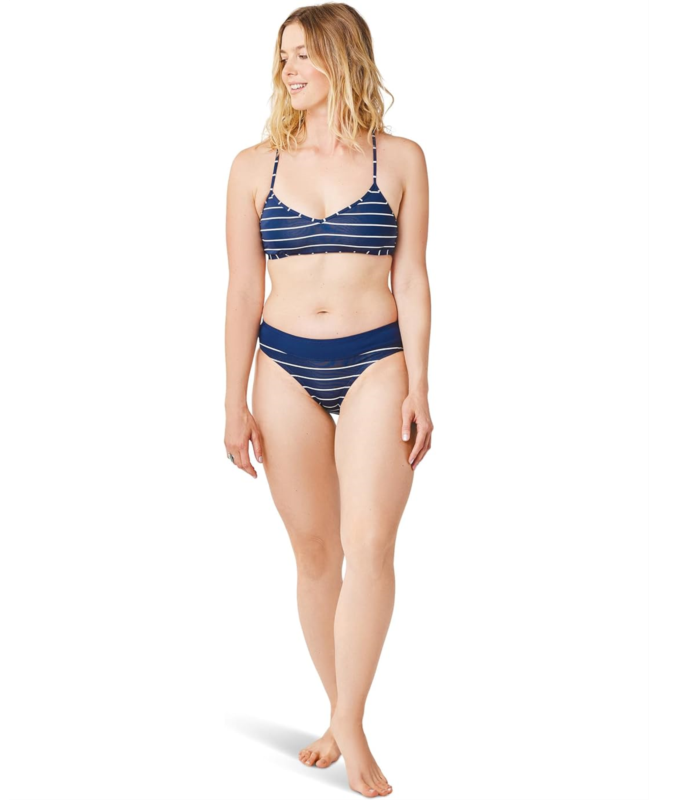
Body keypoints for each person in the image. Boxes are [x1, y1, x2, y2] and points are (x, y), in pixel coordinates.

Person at [223, 4, 432, 796]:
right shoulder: (254, 167)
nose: (290, 70)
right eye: (283, 57)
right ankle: (344, 720)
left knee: (369, 544)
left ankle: (349, 724)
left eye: (304, 54)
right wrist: (233, 401)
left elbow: (411, 278)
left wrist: (421, 384)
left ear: (343, 58)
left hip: (377, 360)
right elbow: (243, 290)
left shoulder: (401, 159)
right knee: (315, 553)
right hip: (282, 365)